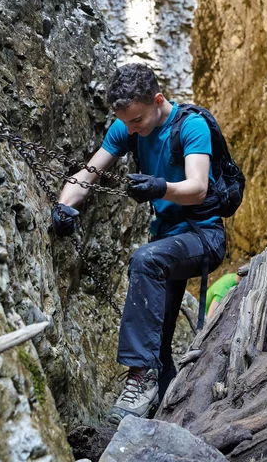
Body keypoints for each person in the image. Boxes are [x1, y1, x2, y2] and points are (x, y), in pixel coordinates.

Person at [51, 63, 226, 426]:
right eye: (126, 122)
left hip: (202, 235)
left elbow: (198, 187)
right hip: (166, 240)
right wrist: (64, 205)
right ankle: (171, 413)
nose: (131, 129)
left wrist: (161, 187)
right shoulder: (126, 127)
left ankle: (139, 379)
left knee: (146, 260)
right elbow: (88, 173)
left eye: (137, 121)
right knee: (158, 340)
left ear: (158, 100)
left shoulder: (190, 126)